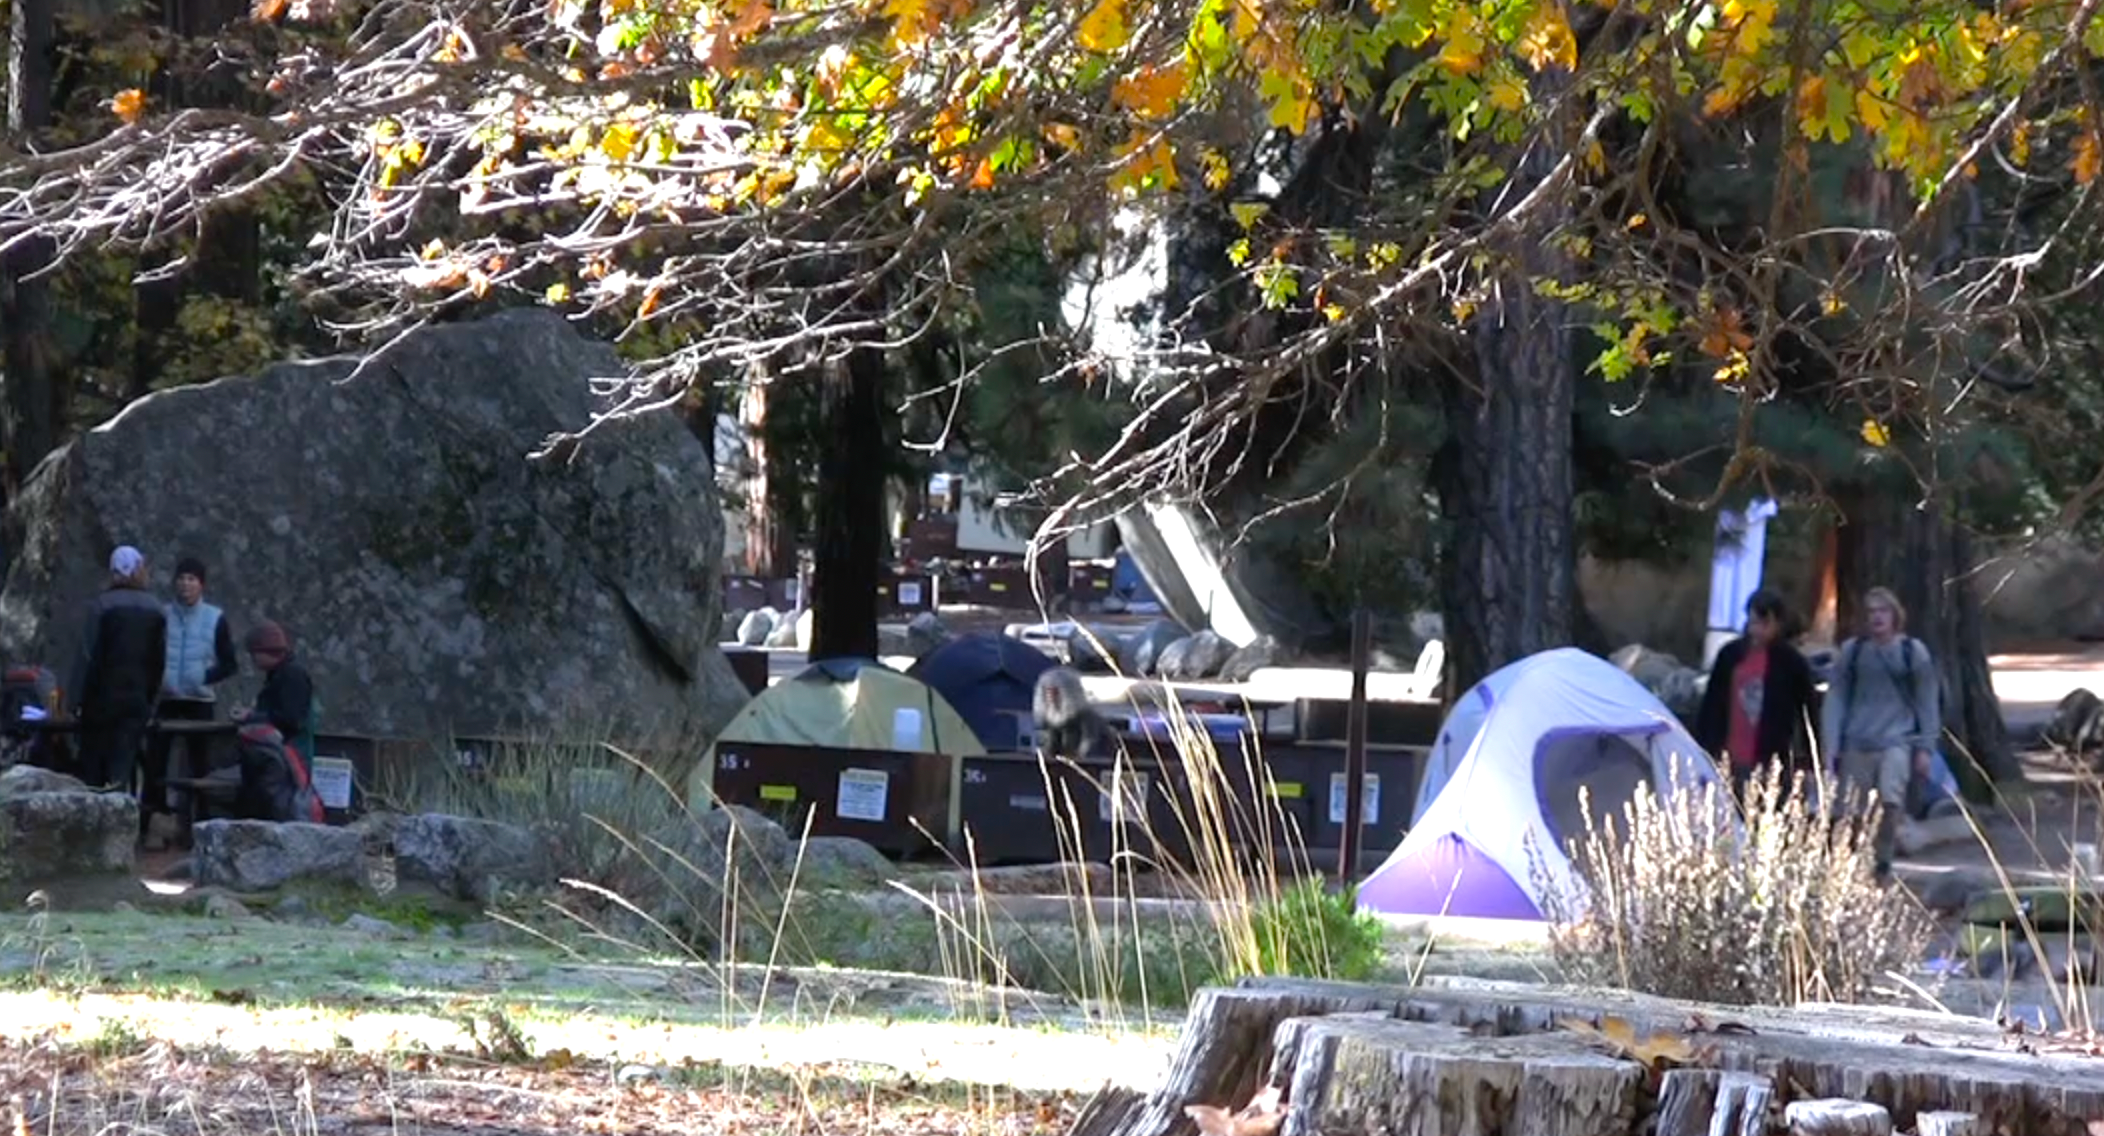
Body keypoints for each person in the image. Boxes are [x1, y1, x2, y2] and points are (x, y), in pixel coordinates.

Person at [1820, 586, 1941, 880]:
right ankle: (1852, 864)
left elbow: (1927, 700)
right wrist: (1830, 745)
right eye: (1871, 612)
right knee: (1851, 810)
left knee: (1891, 801)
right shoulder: (1853, 652)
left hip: (1896, 741)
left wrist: (1926, 747)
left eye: (1883, 611)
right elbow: (1836, 698)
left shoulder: (1912, 652)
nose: (1877, 617)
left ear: (1895, 615)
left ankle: (1883, 860)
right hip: (1857, 741)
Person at [1695, 589, 1819, 804]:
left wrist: (1809, 760)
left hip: (1770, 756)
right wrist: (1704, 747)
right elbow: (1712, 704)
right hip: (1728, 753)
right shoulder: (1731, 655)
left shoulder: (1791, 663)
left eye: (1764, 623)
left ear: (1778, 623)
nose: (1756, 630)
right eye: (1753, 621)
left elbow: (1807, 713)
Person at [149, 556, 238, 844]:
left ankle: (199, 827)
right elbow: (149, 656)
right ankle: (155, 824)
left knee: (201, 766)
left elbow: (229, 663)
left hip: (200, 701)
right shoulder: (161, 616)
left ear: (202, 585)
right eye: (181, 578)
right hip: (168, 698)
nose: (185, 584)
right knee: (156, 763)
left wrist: (203, 677)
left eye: (192, 579)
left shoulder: (215, 618)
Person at [70, 546, 168, 794]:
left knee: (92, 767)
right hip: (136, 702)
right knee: (121, 767)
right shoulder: (156, 610)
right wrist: (151, 702)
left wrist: (74, 702)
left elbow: (86, 656)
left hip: (100, 701)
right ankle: (122, 816)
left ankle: (92, 822)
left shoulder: (101, 606)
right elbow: (159, 662)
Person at [239, 622, 315, 765]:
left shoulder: (292, 676)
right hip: (279, 753)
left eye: (254, 654)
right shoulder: (279, 674)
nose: (252, 660)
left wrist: (251, 716)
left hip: (288, 757)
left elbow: (290, 718)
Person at [1032, 667, 1117, 761]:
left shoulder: (1087, 717)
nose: (1050, 698)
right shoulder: (1049, 718)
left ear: (1070, 692)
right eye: (1047, 692)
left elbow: (1089, 745)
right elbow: (1051, 745)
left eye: (1055, 692)